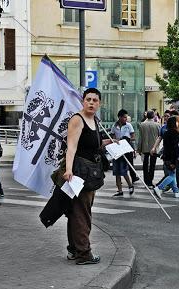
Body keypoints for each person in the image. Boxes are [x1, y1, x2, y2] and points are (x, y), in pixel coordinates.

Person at [63, 88, 112, 265]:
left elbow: (93, 145)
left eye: (95, 100)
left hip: (91, 174)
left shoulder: (94, 120)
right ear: (82, 101)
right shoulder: (78, 119)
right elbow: (71, 147)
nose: (91, 102)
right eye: (88, 99)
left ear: (100, 103)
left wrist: (110, 142)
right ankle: (84, 253)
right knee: (81, 214)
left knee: (78, 212)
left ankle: (74, 249)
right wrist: (69, 170)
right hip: (79, 174)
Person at [152, 116, 179, 199]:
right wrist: (174, 161)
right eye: (178, 121)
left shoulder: (166, 132)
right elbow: (175, 148)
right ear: (175, 123)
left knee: (171, 174)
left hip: (166, 156)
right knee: (172, 175)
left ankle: (176, 191)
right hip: (172, 157)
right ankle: (159, 188)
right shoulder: (176, 133)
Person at [110, 109, 135, 197]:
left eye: (126, 117)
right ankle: (120, 190)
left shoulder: (128, 125)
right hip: (117, 151)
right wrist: (115, 141)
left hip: (125, 150)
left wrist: (127, 139)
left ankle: (130, 185)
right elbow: (112, 137)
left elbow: (133, 137)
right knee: (116, 172)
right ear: (120, 117)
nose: (126, 118)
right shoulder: (114, 126)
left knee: (123, 170)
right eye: (124, 117)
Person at [138, 110, 161, 188]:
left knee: (145, 164)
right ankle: (150, 181)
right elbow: (159, 137)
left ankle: (146, 181)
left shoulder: (142, 125)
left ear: (146, 116)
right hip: (154, 148)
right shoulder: (157, 125)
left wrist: (139, 149)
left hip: (145, 147)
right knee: (152, 165)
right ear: (153, 116)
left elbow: (140, 138)